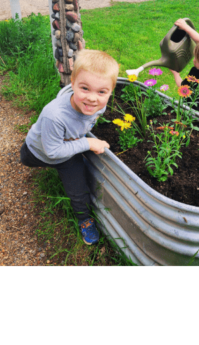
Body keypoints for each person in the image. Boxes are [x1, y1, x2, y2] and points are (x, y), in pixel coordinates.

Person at [20, 49, 118, 246]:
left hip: (67, 147)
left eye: (102, 92)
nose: (92, 98)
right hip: (38, 152)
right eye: (85, 88)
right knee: (33, 160)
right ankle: (85, 219)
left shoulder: (99, 105)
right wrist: (88, 143)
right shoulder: (54, 115)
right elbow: (53, 152)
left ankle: (84, 218)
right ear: (71, 83)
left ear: (110, 91)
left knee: (78, 189)